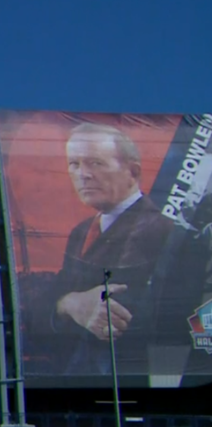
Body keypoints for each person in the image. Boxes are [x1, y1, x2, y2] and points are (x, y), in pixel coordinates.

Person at [32, 122, 175, 375]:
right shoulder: (81, 231)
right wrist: (70, 304)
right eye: (74, 164)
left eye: (95, 163)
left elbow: (138, 312)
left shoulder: (161, 230)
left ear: (132, 171)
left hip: (132, 379)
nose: (82, 174)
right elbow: (43, 304)